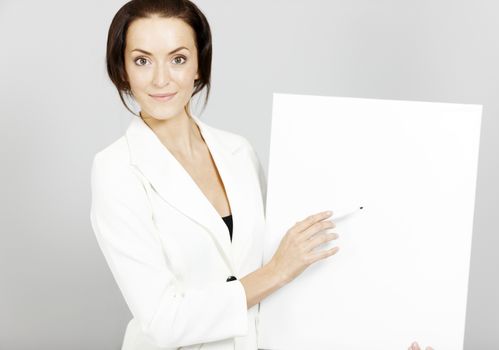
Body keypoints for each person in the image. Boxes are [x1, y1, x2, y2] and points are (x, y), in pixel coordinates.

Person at [90, 1, 434, 350]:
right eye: (142, 60)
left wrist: (386, 335)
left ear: (198, 65)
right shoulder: (116, 169)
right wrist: (277, 271)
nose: (161, 78)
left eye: (178, 59)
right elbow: (164, 322)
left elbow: (286, 280)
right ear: (122, 70)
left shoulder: (238, 152)